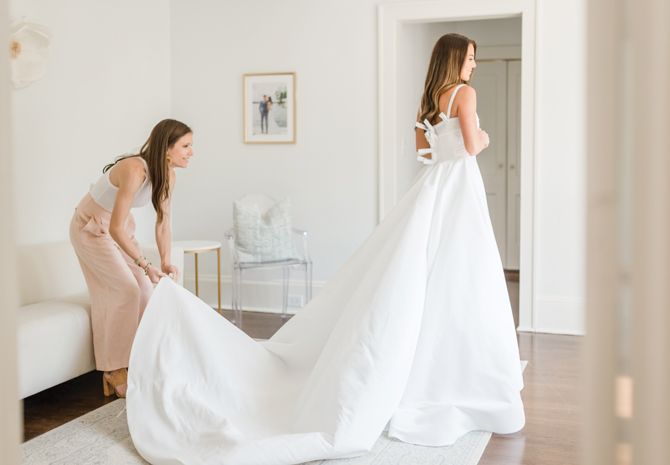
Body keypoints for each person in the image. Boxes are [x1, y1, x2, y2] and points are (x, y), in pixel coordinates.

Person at [127, 33, 524, 465]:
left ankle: (417, 371)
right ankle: (453, 374)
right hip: (459, 190)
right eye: (469, 58)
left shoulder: (430, 101)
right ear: (455, 59)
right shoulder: (465, 94)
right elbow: (470, 146)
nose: (473, 65)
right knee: (461, 276)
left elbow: (425, 152)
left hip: (431, 190)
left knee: (420, 274)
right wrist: (482, 137)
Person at [69, 119, 193, 398]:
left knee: (146, 290)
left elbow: (164, 222)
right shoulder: (134, 169)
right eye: (185, 146)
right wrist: (145, 265)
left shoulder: (168, 175)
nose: (191, 152)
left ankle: (140, 360)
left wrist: (164, 261)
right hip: (91, 228)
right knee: (126, 289)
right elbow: (112, 228)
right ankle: (114, 370)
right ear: (167, 149)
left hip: (120, 228)